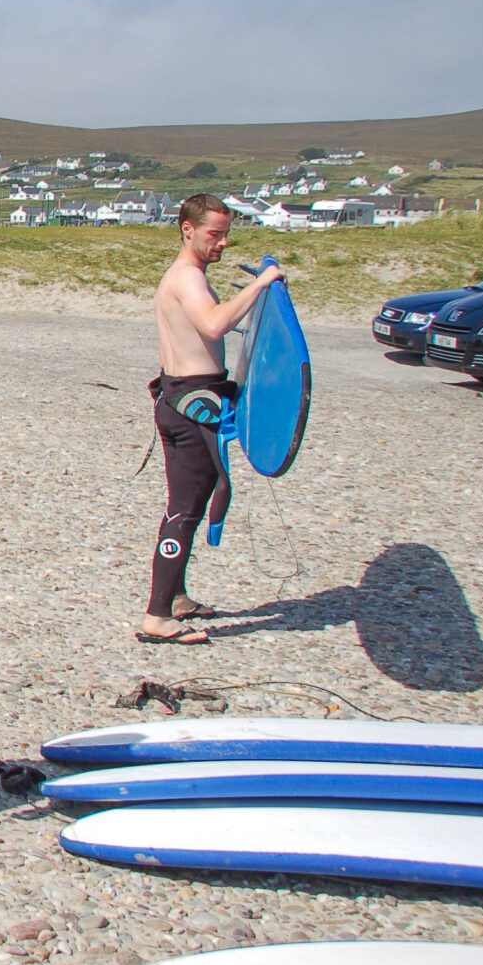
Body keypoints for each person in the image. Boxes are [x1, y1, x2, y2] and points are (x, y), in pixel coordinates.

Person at [143, 194, 284, 644]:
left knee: (193, 503)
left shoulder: (187, 276)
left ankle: (176, 596)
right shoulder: (187, 279)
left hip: (181, 398)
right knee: (183, 512)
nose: (223, 243)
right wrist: (261, 285)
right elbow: (213, 325)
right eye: (214, 234)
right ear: (188, 229)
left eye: (226, 235)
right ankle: (157, 617)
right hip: (191, 408)